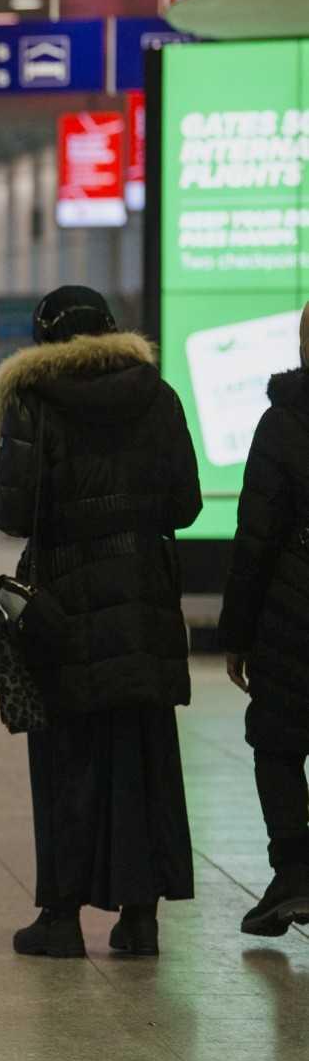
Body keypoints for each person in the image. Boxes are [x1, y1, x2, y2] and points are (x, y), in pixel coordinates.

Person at [0, 285, 201, 958]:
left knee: (67, 758)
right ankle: (140, 920)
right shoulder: (157, 396)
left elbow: (13, 515)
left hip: (66, 603)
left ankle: (60, 918)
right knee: (141, 756)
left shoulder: (34, 402)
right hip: (142, 596)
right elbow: (188, 503)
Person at [220, 302, 309, 937]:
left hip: (292, 611)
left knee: (277, 742)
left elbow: (256, 536)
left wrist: (237, 635)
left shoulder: (285, 423)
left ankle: (294, 875)